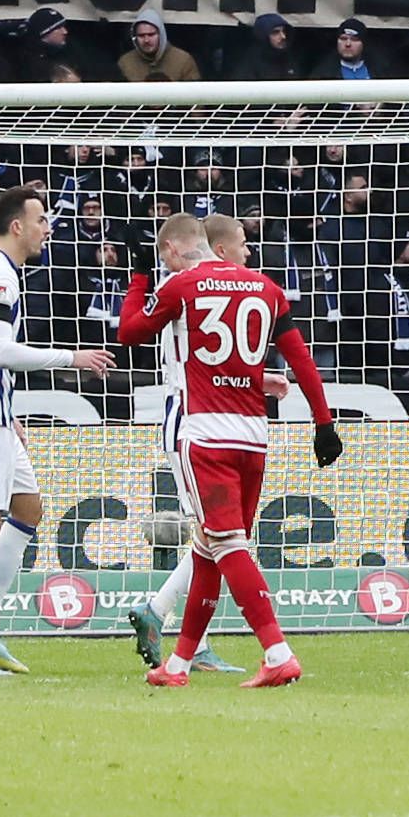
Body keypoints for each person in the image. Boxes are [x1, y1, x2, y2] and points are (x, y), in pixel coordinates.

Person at [109, 213, 340, 689]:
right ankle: (178, 663)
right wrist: (323, 423)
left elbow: (129, 333)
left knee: (227, 544)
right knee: (209, 546)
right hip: (253, 435)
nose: (249, 248)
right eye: (243, 241)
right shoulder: (267, 289)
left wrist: (138, 278)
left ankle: (276, 651)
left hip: (203, 432)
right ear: (220, 245)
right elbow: (301, 360)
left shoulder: (183, 286)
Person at [0, 184, 114, 679]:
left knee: (26, 508)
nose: (47, 228)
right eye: (40, 220)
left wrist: (7, 404)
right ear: (17, 226)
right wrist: (72, 357)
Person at [126, 214, 259, 677]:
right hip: (189, 420)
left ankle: (162, 614)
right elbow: (130, 335)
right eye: (242, 244)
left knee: (214, 536)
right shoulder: (184, 287)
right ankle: (185, 635)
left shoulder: (196, 288)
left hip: (205, 419)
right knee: (219, 536)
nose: (248, 252)